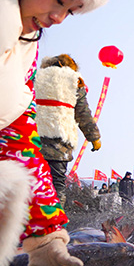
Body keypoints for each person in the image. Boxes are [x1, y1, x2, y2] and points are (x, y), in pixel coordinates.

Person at [0, 0, 113, 266]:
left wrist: (46, 238)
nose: (58, 17)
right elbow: (83, 111)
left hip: (52, 141)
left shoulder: (18, 49)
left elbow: (15, 132)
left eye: (70, 11)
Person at [33, 54, 102, 199]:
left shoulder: (34, 77)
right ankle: (54, 218)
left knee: (31, 182)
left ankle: (28, 219)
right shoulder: (74, 81)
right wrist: (94, 138)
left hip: (32, 137)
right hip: (60, 141)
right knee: (56, 185)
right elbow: (83, 113)